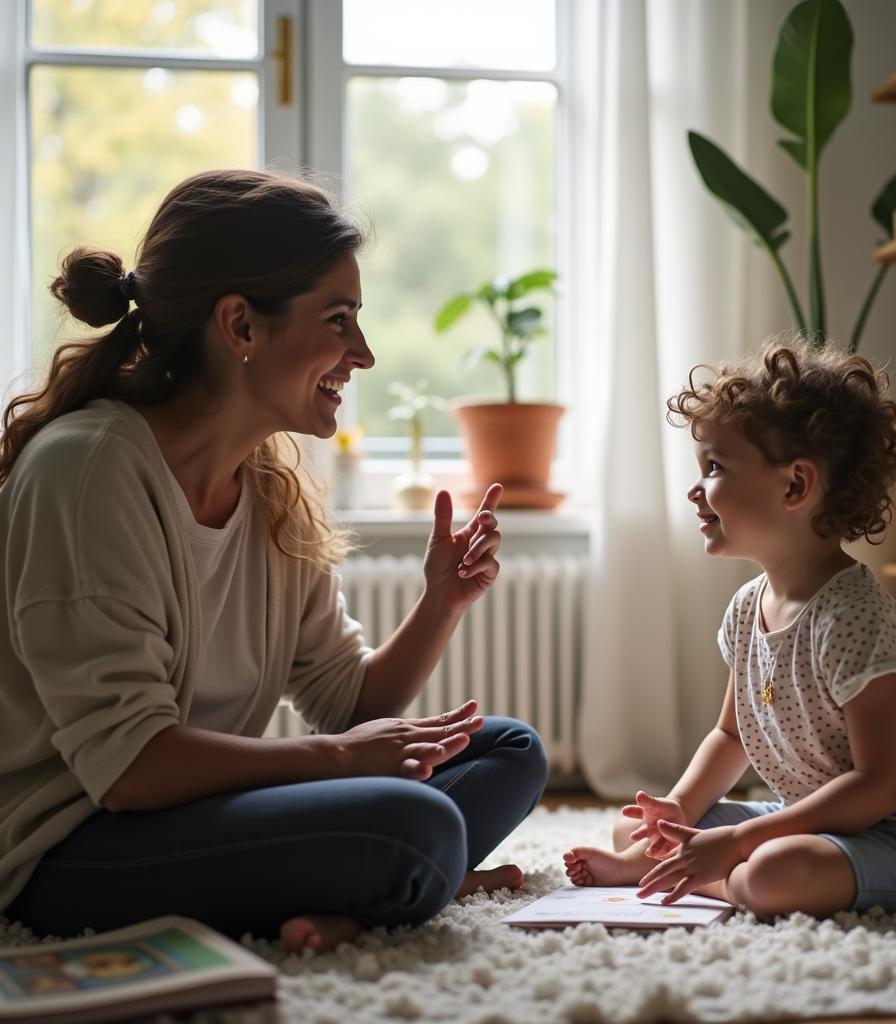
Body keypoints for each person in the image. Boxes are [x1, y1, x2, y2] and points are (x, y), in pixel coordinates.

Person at [0, 169, 548, 952]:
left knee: (508, 751)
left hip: (195, 816)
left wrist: (441, 604)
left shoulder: (270, 487)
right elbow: (128, 770)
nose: (361, 352)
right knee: (415, 824)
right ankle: (406, 882)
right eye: (338, 318)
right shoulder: (87, 471)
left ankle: (371, 898)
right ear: (241, 326)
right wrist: (337, 761)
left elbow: (351, 705)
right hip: (70, 846)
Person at [564, 341, 896, 918]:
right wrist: (680, 809)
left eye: (714, 467)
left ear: (795, 486)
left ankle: (713, 879)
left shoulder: (853, 619)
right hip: (821, 822)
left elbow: (881, 786)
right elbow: (731, 736)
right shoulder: (746, 608)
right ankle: (683, 862)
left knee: (770, 874)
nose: (696, 489)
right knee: (638, 830)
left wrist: (739, 844)